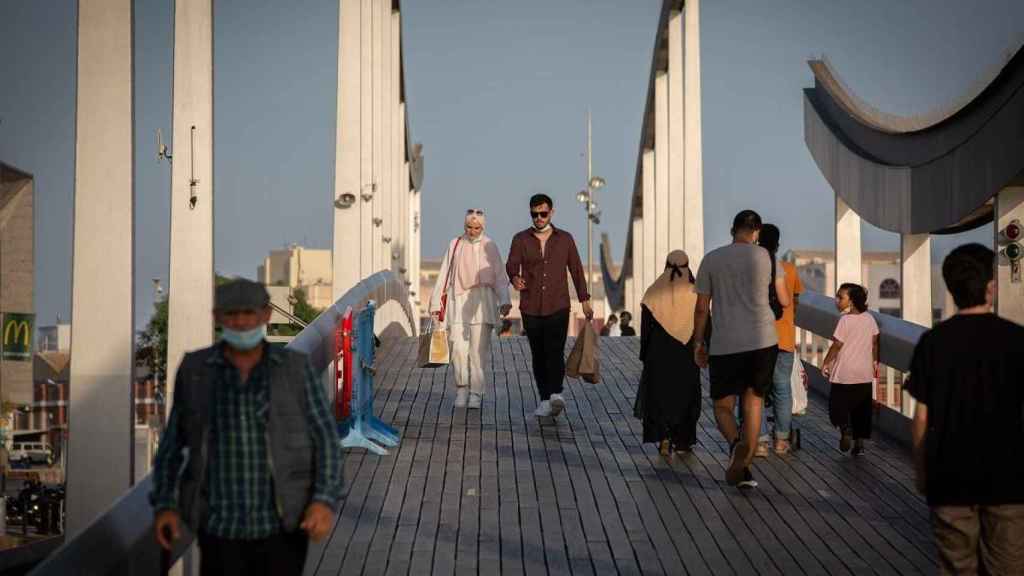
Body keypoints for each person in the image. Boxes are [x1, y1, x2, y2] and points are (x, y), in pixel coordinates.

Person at [150, 279, 344, 576]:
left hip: (282, 525)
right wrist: (165, 503)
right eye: (231, 314)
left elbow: (326, 438)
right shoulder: (196, 370)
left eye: (248, 313)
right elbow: (172, 445)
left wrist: (323, 500)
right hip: (218, 527)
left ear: (265, 315)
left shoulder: (294, 369)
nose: (240, 322)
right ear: (217, 318)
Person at [907, 244, 1024, 575]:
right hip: (1009, 479)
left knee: (957, 568)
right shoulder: (1016, 340)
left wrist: (921, 470)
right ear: (991, 286)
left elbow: (921, 418)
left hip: (950, 478)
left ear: (950, 287)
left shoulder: (934, 342)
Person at [692, 210, 789, 488]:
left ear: (732, 229)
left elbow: (701, 308)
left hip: (725, 342)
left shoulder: (711, 259)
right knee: (754, 400)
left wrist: (699, 342)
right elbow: (783, 299)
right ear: (756, 231)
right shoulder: (768, 258)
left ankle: (736, 444)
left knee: (723, 405)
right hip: (763, 340)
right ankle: (746, 462)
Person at [506, 193, 593, 418]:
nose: (539, 218)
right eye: (535, 214)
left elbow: (576, 269)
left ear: (551, 212)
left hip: (558, 304)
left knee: (555, 350)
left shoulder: (565, 239)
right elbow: (512, 265)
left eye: (543, 213)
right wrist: (515, 278)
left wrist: (584, 300)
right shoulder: (521, 239)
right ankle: (545, 398)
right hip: (531, 306)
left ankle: (556, 393)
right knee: (538, 353)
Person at [429, 209, 512, 409]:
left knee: (477, 352)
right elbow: (444, 274)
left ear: (482, 227)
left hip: (483, 303)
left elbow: (500, 276)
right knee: (457, 348)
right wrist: (434, 303)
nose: (473, 231)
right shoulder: (455, 244)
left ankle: (476, 392)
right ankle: (461, 388)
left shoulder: (490, 246)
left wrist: (505, 300)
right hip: (458, 301)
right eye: (469, 227)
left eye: (477, 228)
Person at [633, 250, 702, 457]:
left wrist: (644, 355)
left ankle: (663, 438)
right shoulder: (695, 293)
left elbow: (646, 330)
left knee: (660, 397)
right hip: (686, 355)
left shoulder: (653, 292)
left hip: (658, 355)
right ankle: (682, 441)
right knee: (686, 396)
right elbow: (704, 321)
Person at [756, 224, 803, 455]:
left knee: (756, 390)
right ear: (778, 243)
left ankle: (761, 440)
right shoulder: (790, 270)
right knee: (782, 388)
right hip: (784, 338)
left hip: (758, 339)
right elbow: (795, 301)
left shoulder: (752, 268)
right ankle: (782, 441)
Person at [821, 283, 878, 455]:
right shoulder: (870, 319)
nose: (836, 300)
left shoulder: (844, 320)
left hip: (844, 373)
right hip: (864, 373)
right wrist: (874, 362)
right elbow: (874, 342)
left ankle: (845, 429)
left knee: (836, 407)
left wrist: (826, 362)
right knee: (861, 410)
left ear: (851, 302)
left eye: (840, 297)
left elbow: (837, 344)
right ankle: (859, 444)